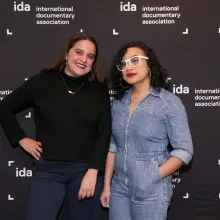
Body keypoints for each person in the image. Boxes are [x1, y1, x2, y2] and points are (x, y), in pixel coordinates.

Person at [0, 33, 111, 220]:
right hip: (48, 171)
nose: (83, 59)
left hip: (84, 174)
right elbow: (4, 108)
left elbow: (104, 135)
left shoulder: (98, 92)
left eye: (90, 56)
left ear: (93, 62)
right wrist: (21, 138)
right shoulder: (42, 82)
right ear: (67, 54)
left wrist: (93, 172)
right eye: (79, 52)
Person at [100, 41, 193, 220]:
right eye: (124, 63)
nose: (129, 67)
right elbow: (113, 147)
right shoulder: (118, 103)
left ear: (149, 64)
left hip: (151, 190)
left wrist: (152, 176)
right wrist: (107, 186)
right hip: (119, 188)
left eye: (135, 60)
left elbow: (184, 151)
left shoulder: (168, 103)